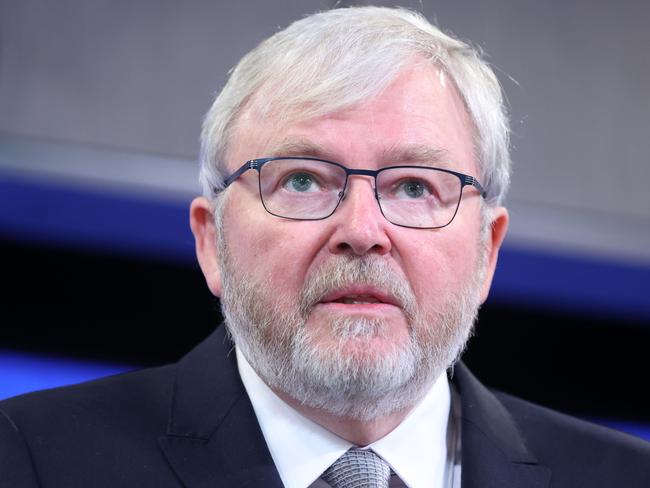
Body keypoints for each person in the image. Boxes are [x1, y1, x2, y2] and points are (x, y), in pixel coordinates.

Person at [1, 6, 649, 488]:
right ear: (211, 240)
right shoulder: (28, 459)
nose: (362, 230)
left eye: (416, 187)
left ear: (488, 251)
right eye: (303, 180)